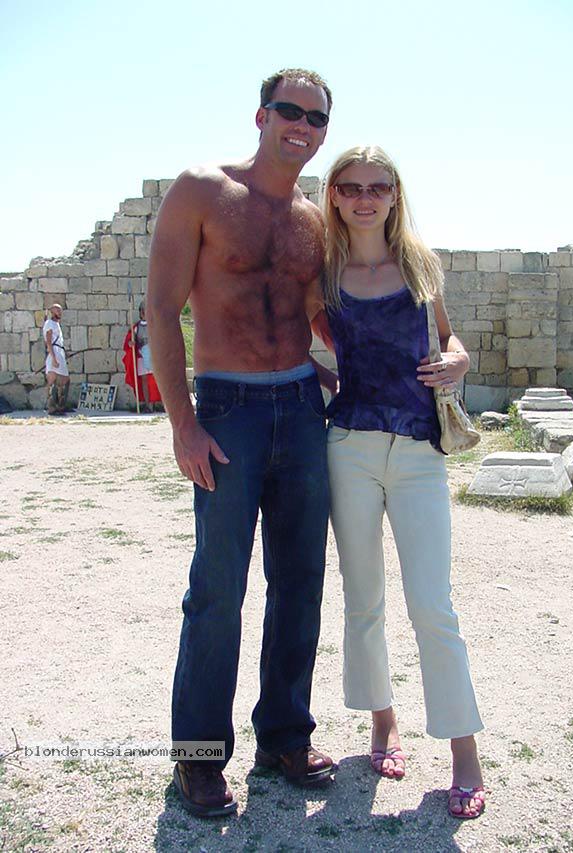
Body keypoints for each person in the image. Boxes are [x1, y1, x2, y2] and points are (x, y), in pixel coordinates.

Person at [146, 68, 337, 819]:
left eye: (316, 118)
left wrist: (368, 362)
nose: (302, 125)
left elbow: (315, 312)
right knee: (217, 590)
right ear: (261, 116)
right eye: (290, 110)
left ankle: (284, 735)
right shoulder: (202, 190)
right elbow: (162, 309)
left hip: (302, 407)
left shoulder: (314, 220)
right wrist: (183, 422)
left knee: (300, 581)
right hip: (228, 410)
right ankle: (198, 758)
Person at [319, 146, 486, 819]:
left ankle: (465, 752)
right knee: (363, 598)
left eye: (378, 187)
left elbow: (451, 340)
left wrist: (457, 363)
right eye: (352, 187)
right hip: (349, 448)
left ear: (394, 194)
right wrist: (331, 379)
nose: (365, 198)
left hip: (419, 450)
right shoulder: (324, 273)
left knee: (432, 605)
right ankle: (382, 722)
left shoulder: (420, 264)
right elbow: (299, 341)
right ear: (334, 196)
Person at [122, 301, 162, 412]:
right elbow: (130, 340)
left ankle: (158, 404)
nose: (145, 313)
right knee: (144, 381)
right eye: (143, 311)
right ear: (141, 312)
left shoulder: (154, 325)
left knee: (155, 380)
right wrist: (131, 343)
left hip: (153, 355)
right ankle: (148, 405)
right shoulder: (136, 327)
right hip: (141, 356)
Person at [43, 303, 70, 415]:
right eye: (57, 311)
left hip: (59, 352)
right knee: (52, 380)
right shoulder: (49, 323)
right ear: (52, 312)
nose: (60, 313)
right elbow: (49, 342)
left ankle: (60, 406)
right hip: (54, 353)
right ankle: (52, 408)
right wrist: (53, 358)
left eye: (60, 311)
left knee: (65, 380)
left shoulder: (56, 324)